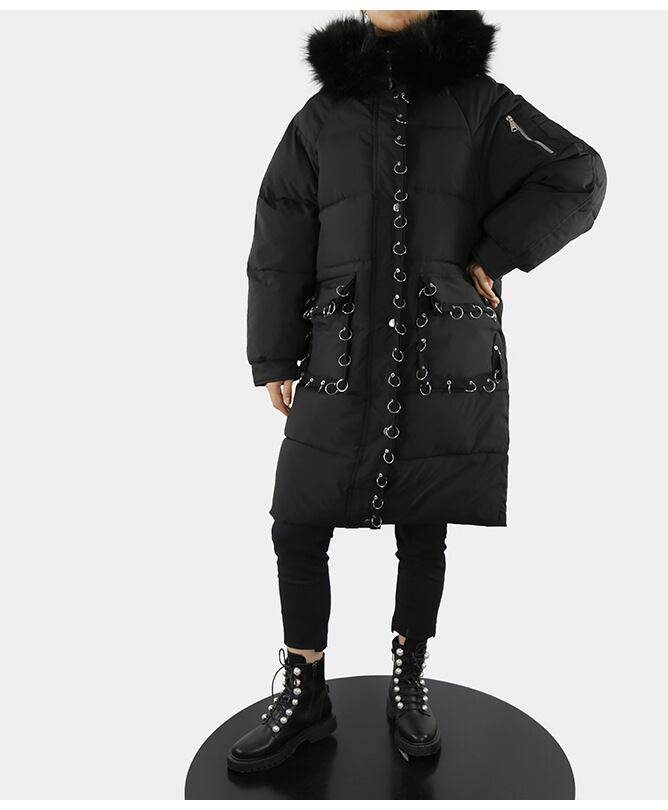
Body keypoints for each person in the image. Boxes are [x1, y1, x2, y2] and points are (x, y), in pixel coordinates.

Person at [227, 9, 607, 772]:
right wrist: (273, 353)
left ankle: (409, 681)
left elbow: (577, 172)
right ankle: (305, 692)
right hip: (340, 353)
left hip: (443, 350)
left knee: (424, 523)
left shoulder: (482, 106)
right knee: (297, 523)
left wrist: (495, 253)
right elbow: (280, 230)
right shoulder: (322, 116)